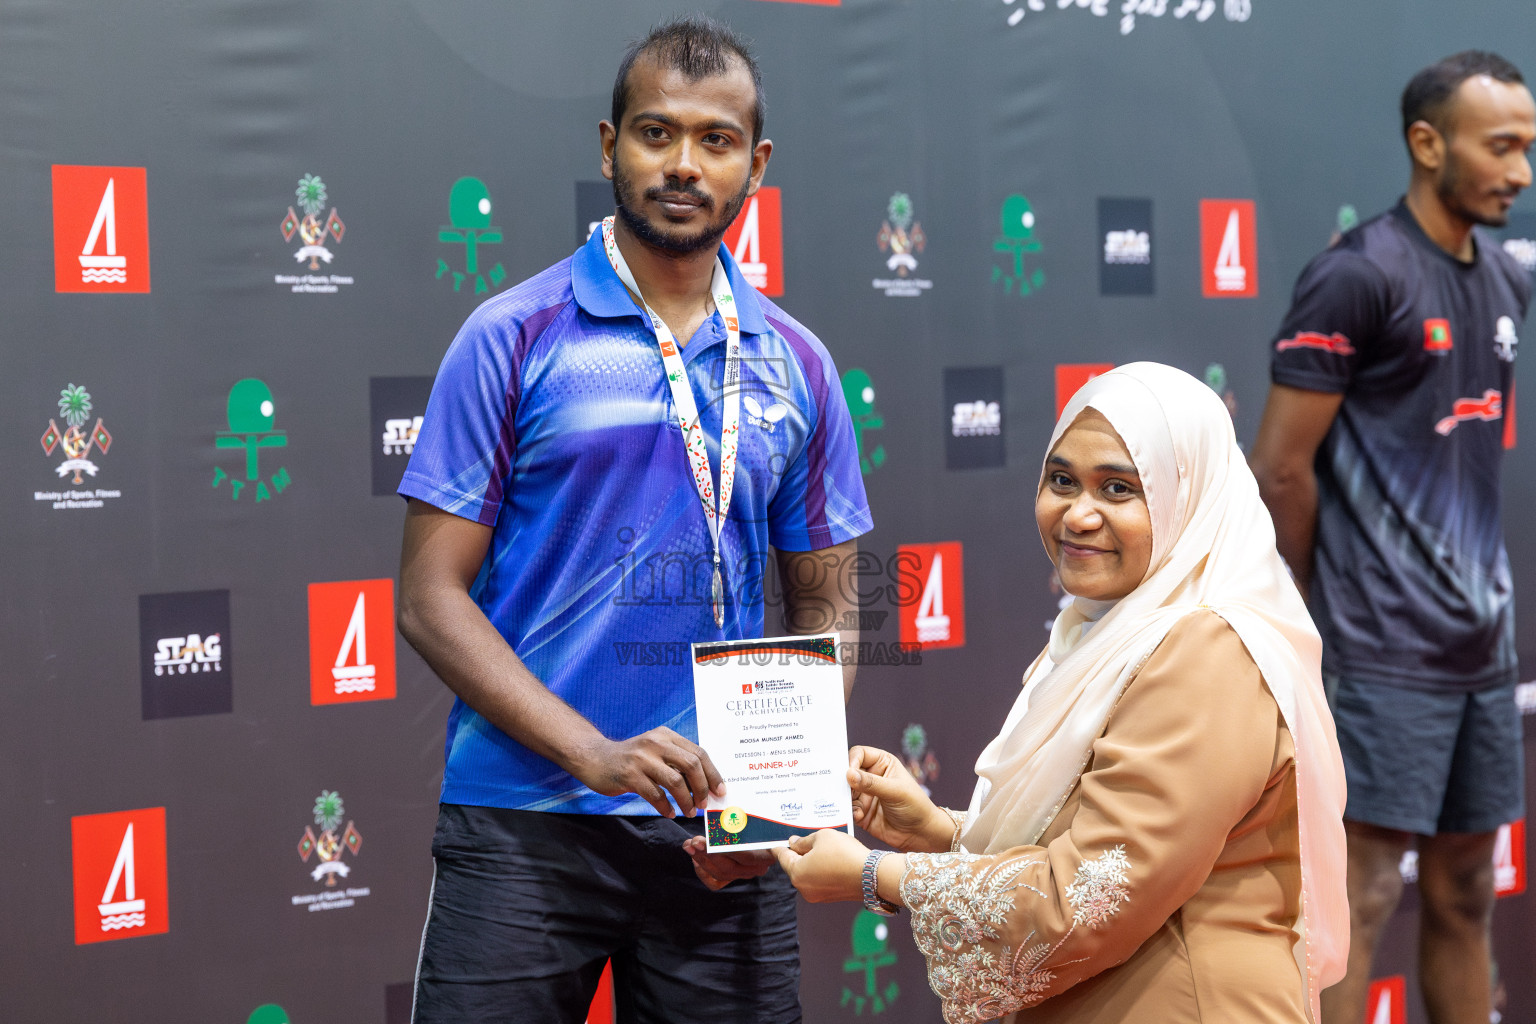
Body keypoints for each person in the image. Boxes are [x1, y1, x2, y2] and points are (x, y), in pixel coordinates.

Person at [396, 17, 872, 1023]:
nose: (685, 164)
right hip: (522, 822)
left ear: (757, 163)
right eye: (656, 134)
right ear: (609, 147)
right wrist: (593, 753)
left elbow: (828, 598)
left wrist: (780, 793)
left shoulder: (798, 363)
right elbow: (430, 599)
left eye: (716, 139)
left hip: (719, 837)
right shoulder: (511, 337)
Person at [760, 363, 1349, 1023]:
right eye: (1062, 480)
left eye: (1120, 489)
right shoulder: (1112, 630)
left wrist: (876, 877)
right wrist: (939, 830)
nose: (1079, 514)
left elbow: (1091, 897)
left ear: (1188, 497)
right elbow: (1094, 841)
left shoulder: (1209, 652)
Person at [1249, 51, 1534, 1024]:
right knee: (1358, 897)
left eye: (1528, 149)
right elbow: (1281, 467)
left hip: (1482, 656)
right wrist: (1318, 598)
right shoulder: (1357, 275)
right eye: (1500, 146)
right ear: (1426, 142)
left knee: (1465, 893)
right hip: (1378, 652)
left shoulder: (1504, 279)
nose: (1521, 172)